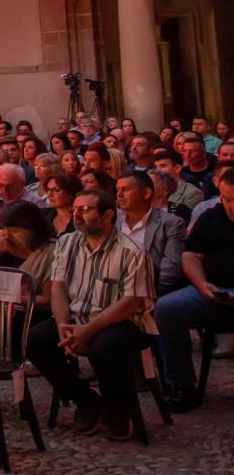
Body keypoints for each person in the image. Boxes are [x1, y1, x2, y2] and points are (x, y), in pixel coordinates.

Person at [25, 189, 157, 441]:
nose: (77, 215)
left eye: (85, 209)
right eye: (75, 209)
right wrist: (63, 324)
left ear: (108, 215)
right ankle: (86, 400)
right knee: (35, 341)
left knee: (104, 347)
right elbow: (58, 287)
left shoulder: (132, 252)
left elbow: (130, 302)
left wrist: (87, 330)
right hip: (77, 317)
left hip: (125, 321)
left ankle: (118, 410)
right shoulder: (67, 242)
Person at [155, 166, 234, 411]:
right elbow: (190, 256)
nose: (232, 205)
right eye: (228, 199)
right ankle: (181, 385)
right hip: (213, 292)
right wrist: (202, 284)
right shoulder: (211, 217)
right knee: (167, 309)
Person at [115, 169, 186, 293]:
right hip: (111, 287)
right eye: (118, 190)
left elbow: (171, 269)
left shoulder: (171, 223)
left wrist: (142, 291)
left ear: (146, 193)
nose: (119, 194)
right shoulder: (112, 220)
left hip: (149, 290)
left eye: (125, 189)